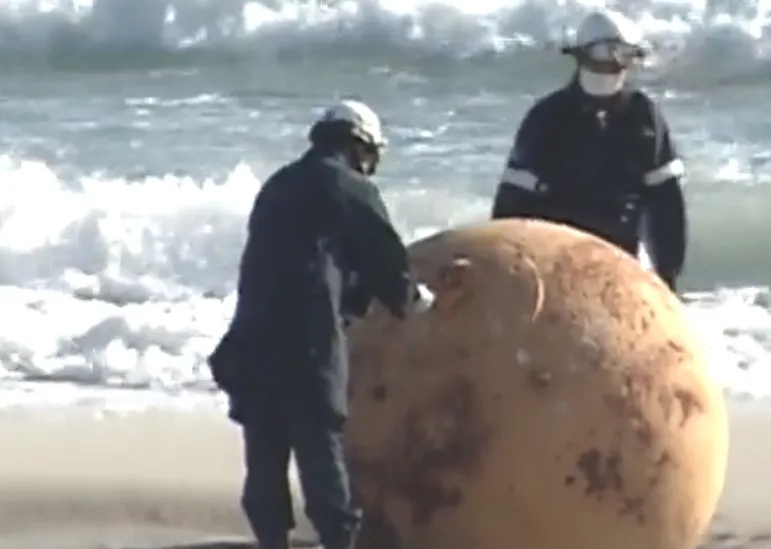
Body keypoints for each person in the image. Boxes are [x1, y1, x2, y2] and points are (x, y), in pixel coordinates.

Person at [207, 99, 435, 549]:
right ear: (361, 147)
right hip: (307, 347)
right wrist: (416, 301)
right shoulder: (349, 187)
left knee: (265, 460)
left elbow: (302, 260)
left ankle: (271, 542)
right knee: (321, 462)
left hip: (252, 341)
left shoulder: (278, 185)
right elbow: (387, 264)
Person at [490, 8, 687, 291]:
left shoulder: (645, 116)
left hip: (619, 264)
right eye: (601, 53)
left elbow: (667, 206)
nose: (609, 63)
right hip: (554, 265)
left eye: (619, 53)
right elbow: (510, 207)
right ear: (581, 56)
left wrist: (668, 280)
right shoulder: (546, 117)